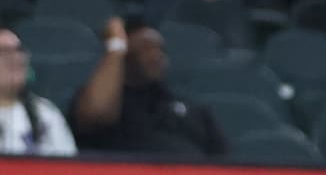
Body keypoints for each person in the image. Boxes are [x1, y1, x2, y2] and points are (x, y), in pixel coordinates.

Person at [69, 17, 224, 156]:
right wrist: (116, 47)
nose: (157, 55)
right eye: (146, 48)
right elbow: (96, 114)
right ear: (126, 53)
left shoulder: (190, 107)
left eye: (161, 49)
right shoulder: (109, 101)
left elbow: (222, 158)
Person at [0, 25, 76, 156]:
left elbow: (68, 171)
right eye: (4, 51)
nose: (16, 58)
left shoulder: (45, 112)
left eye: (19, 50)